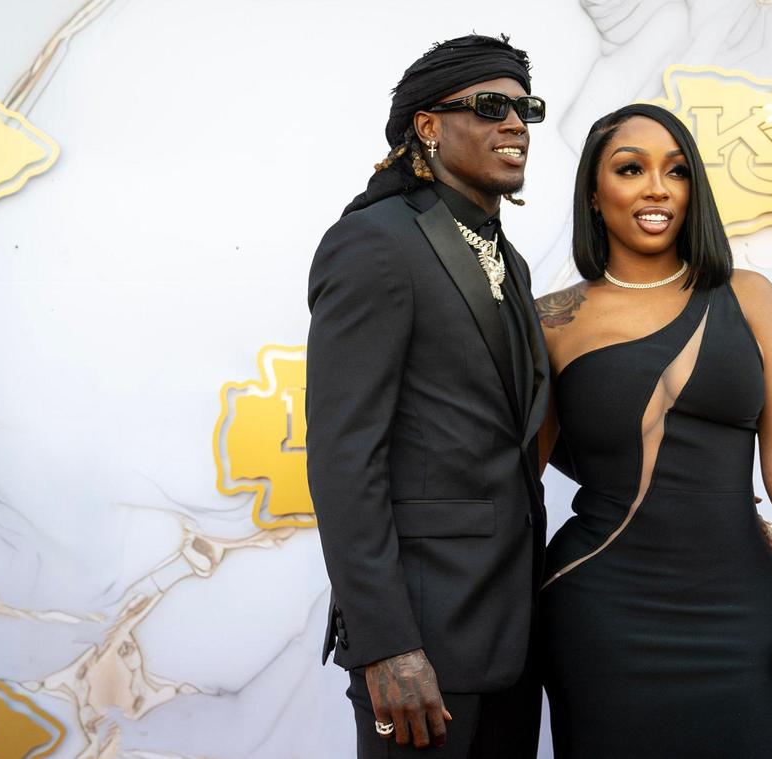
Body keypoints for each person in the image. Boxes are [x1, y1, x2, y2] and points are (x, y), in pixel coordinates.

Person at [534, 103, 772, 758]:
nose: (657, 187)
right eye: (631, 168)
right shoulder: (552, 322)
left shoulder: (748, 296)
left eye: (677, 171)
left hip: (740, 609)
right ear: (595, 196)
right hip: (602, 614)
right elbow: (517, 483)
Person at [305, 35, 550, 758]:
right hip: (420, 646)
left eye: (524, 108)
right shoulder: (374, 243)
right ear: (429, 125)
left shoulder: (511, 259)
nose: (515, 124)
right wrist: (387, 644)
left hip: (511, 638)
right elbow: (345, 458)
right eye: (490, 106)